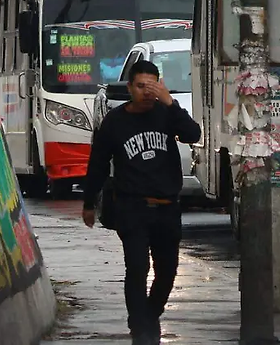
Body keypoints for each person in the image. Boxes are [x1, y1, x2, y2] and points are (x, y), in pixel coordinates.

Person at [82, 59, 201, 345]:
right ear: (129, 87)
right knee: (137, 268)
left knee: (167, 271)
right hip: (131, 206)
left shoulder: (167, 113)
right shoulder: (115, 121)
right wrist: (89, 202)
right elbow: (98, 163)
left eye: (152, 86)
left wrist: (170, 102)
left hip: (167, 206)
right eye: (140, 86)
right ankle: (140, 328)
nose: (146, 92)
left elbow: (193, 134)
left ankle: (150, 315)